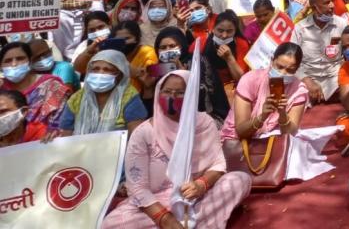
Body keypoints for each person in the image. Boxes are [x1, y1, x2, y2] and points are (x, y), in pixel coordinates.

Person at [102, 70, 252, 229]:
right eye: (166, 91)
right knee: (111, 224)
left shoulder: (204, 123)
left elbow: (218, 165)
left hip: (197, 197)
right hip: (157, 203)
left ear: (191, 96)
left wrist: (201, 185)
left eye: (180, 93)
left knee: (239, 180)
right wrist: (165, 219)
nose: (172, 97)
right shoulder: (143, 133)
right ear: (158, 93)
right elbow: (137, 186)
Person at [220, 42, 307, 142]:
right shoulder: (250, 80)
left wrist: (282, 114)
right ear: (272, 60)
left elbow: (291, 135)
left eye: (290, 70)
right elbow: (240, 131)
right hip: (236, 141)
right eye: (279, 67)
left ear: (296, 70)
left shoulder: (298, 90)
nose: (283, 73)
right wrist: (263, 116)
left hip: (271, 142)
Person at [56, 49, 147, 136]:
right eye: (95, 69)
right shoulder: (77, 98)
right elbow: (65, 133)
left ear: (119, 75)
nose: (100, 73)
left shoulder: (128, 96)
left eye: (107, 70)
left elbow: (136, 135)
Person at [291, 0, 349, 103]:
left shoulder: (342, 24)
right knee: (294, 98)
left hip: (334, 79)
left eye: (332, 1)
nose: (332, 6)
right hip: (308, 77)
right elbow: (292, 60)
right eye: (327, 3)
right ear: (314, 8)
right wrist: (307, 81)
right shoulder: (300, 28)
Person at [0, 41, 69, 130]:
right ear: (1, 66)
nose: (14, 64)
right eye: (8, 61)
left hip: (45, 141)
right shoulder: (2, 89)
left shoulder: (51, 85)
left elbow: (62, 122)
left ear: (30, 61)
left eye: (20, 58)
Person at [154, 27, 219, 119]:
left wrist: (185, 76)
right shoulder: (158, 68)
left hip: (199, 116)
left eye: (172, 46)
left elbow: (206, 92)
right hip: (165, 116)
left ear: (182, 45)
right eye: (163, 47)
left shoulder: (197, 61)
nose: (168, 50)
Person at [200, 10, 249, 121]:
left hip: (231, 92)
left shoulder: (241, 44)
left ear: (235, 31)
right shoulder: (202, 42)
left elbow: (242, 79)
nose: (224, 36)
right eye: (220, 31)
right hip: (208, 89)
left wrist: (229, 58)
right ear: (213, 28)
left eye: (229, 31)